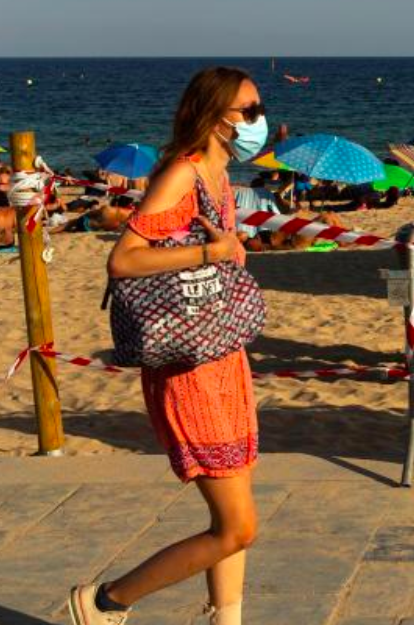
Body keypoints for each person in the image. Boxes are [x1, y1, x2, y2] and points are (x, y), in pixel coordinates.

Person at [73, 67, 266, 625]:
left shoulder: (219, 176)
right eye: (249, 112)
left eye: (258, 109)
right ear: (215, 115)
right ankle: (105, 601)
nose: (259, 122)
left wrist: (226, 251)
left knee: (237, 519)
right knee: (238, 526)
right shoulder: (182, 175)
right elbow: (125, 259)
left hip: (222, 354)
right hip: (186, 365)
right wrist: (212, 255)